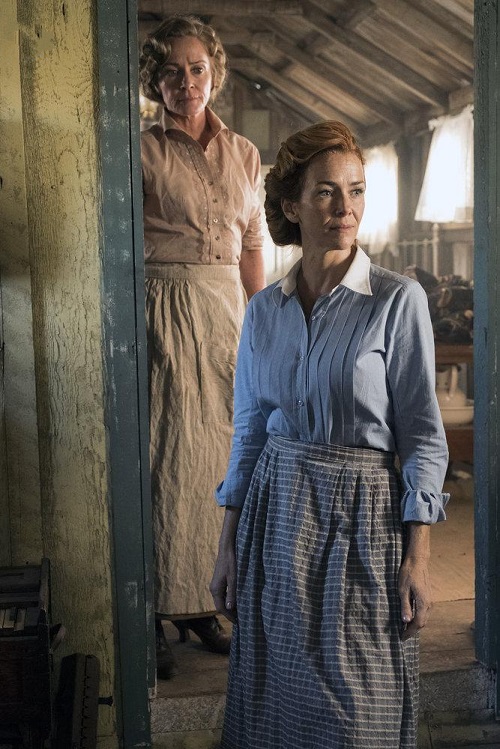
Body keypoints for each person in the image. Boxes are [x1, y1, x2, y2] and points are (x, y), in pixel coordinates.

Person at [211, 120, 449, 748]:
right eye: (326, 191)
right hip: (276, 519)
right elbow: (250, 433)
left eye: (356, 190)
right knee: (276, 705)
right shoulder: (264, 311)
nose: (346, 207)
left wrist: (419, 558)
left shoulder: (397, 301)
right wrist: (228, 546)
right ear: (291, 205)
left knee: (357, 713)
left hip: (363, 524)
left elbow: (423, 437)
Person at [139, 15, 265, 679]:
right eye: (172, 71)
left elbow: (252, 246)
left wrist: (262, 321)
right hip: (164, 309)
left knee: (220, 459)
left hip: (227, 315)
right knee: (167, 459)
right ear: (154, 81)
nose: (186, 82)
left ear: (214, 73)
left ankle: (202, 605)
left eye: (197, 69)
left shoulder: (244, 152)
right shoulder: (141, 149)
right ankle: (153, 611)